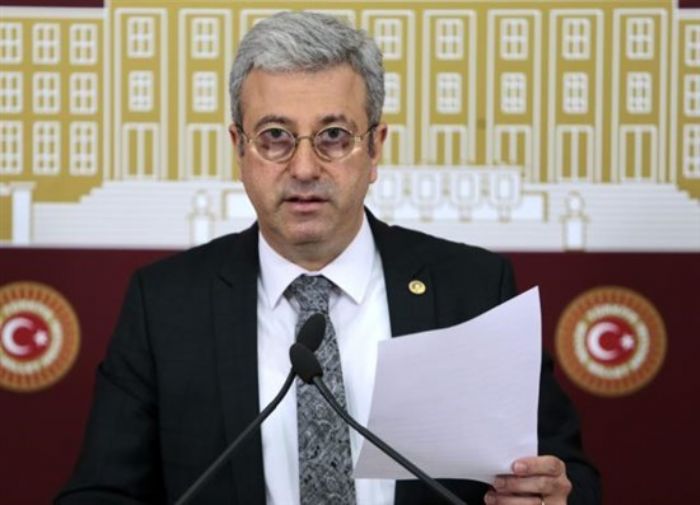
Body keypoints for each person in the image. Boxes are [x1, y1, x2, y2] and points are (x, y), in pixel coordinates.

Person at [56, 11, 600, 505]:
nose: (304, 168)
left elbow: (567, 476)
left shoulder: (473, 290)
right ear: (239, 148)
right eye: (275, 137)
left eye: (334, 136)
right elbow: (100, 494)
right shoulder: (166, 306)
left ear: (376, 147)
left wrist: (551, 495)